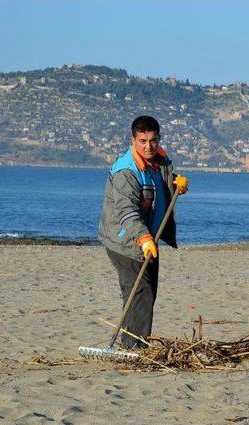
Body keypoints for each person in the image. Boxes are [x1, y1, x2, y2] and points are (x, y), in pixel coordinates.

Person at [98, 115, 188, 349]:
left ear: (158, 138)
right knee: (140, 294)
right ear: (133, 140)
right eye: (143, 141)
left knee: (146, 295)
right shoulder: (126, 171)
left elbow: (161, 187)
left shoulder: (161, 160)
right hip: (126, 241)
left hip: (150, 239)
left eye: (153, 140)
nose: (149, 146)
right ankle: (133, 348)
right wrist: (143, 238)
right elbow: (126, 212)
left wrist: (176, 185)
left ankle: (133, 343)